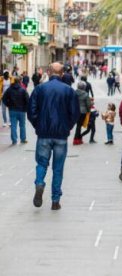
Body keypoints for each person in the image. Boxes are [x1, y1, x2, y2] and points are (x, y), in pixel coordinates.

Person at [27, 62, 80, 210]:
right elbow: (75, 113)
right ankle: (55, 200)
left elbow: (31, 111)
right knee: (58, 168)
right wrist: (67, 127)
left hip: (44, 134)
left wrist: (38, 125)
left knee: (42, 163)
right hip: (61, 136)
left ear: (49, 72)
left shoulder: (39, 89)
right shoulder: (69, 91)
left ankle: (39, 183)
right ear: (62, 73)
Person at [2, 76, 29, 144]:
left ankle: (14, 140)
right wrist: (25, 108)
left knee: (13, 125)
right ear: (20, 82)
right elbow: (28, 100)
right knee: (22, 125)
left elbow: (4, 98)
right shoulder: (23, 90)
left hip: (12, 110)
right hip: (22, 111)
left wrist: (8, 105)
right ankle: (23, 139)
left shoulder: (9, 89)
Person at [73, 81, 91, 145]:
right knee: (79, 126)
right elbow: (88, 104)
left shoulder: (74, 93)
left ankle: (78, 139)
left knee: (78, 125)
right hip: (83, 112)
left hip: (75, 111)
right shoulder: (85, 94)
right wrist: (89, 111)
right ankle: (76, 139)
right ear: (84, 87)